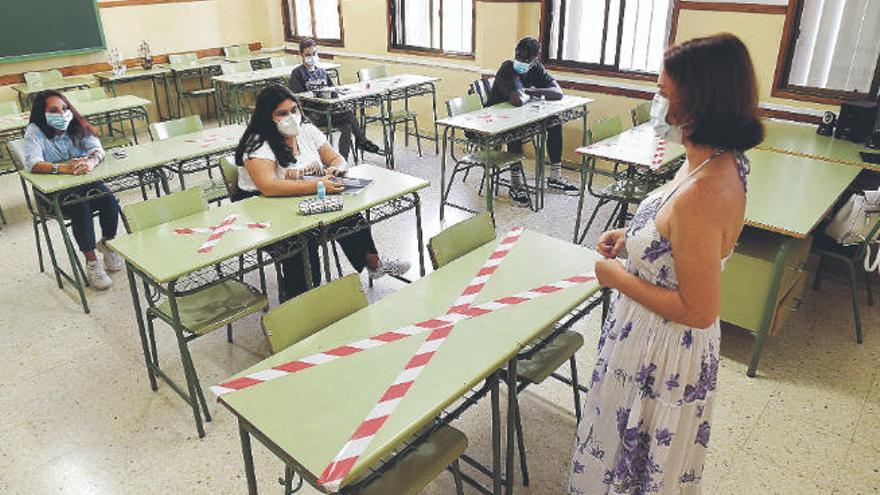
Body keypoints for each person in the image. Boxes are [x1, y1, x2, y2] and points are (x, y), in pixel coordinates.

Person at [569, 33, 763, 494]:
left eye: (663, 94)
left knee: (634, 464)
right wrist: (634, 240)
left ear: (698, 105)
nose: (655, 104)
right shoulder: (708, 158)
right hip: (645, 338)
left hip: (664, 352)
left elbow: (698, 310)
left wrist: (614, 276)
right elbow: (673, 230)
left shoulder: (706, 190)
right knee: (617, 450)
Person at [233, 84, 409, 300]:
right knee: (301, 242)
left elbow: (335, 158)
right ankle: (301, 302)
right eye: (282, 113)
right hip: (260, 207)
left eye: (294, 110)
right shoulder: (258, 142)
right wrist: (318, 186)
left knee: (347, 214)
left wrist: (337, 168)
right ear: (267, 117)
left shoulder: (306, 130)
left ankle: (375, 264)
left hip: (299, 195)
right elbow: (268, 186)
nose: (291, 117)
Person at [23, 90, 123, 291]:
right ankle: (91, 260)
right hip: (53, 194)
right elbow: (33, 163)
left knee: (108, 198)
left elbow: (97, 148)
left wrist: (91, 162)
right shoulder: (35, 131)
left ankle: (106, 242)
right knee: (79, 204)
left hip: (83, 182)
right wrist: (63, 168)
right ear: (42, 114)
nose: (62, 113)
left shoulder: (76, 125)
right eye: (54, 110)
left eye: (64, 108)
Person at [486, 36, 578, 207]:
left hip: (520, 116)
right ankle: (515, 184)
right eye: (518, 56)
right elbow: (517, 100)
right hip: (495, 122)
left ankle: (555, 177)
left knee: (554, 122)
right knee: (515, 131)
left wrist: (529, 90)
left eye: (525, 59)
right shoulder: (508, 68)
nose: (520, 60)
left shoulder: (536, 68)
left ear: (535, 59)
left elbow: (558, 93)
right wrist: (533, 93)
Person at [287, 38, 381, 161]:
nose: (312, 57)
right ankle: (362, 141)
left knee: (347, 125)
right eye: (308, 55)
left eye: (314, 54)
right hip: (312, 114)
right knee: (348, 114)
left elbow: (333, 91)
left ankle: (342, 161)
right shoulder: (297, 73)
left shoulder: (321, 72)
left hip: (327, 111)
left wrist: (339, 92)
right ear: (301, 55)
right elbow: (298, 98)